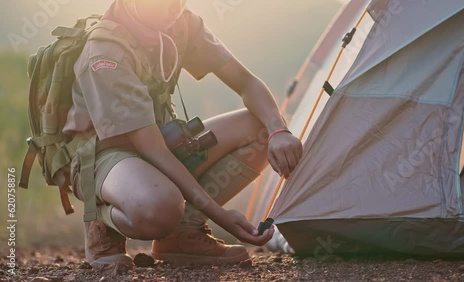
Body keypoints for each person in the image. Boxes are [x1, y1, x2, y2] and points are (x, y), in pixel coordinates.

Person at [63, 0, 303, 267]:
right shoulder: (105, 52)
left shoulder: (181, 24)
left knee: (261, 129)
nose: (172, 8)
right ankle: (101, 218)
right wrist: (221, 216)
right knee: (162, 207)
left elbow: (246, 82)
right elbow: (152, 149)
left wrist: (278, 130)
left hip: (162, 139)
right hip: (105, 157)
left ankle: (183, 232)